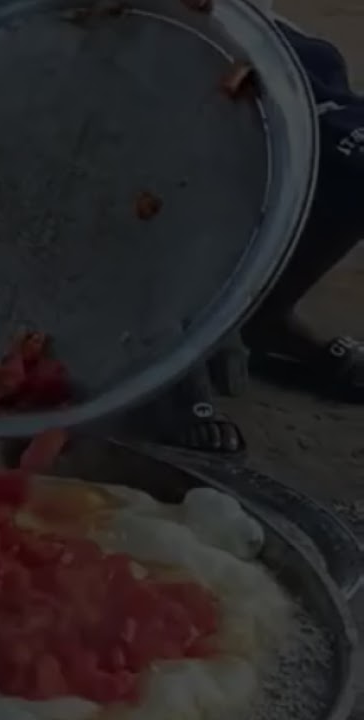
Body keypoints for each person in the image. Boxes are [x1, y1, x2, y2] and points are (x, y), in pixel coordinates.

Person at [159, 10, 364, 454]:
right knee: (165, 152)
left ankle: (268, 313)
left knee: (354, 154)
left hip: (228, 23)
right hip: (104, 34)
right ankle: (171, 344)